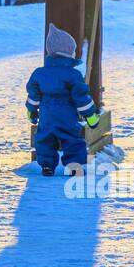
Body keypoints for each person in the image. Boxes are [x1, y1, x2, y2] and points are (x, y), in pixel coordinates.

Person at [25, 24, 101, 177]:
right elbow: (82, 99)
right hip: (67, 116)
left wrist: (31, 111)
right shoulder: (73, 75)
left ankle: (47, 166)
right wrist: (91, 116)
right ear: (68, 53)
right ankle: (74, 166)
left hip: (46, 116)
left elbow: (33, 95)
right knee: (72, 140)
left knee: (44, 139)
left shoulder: (39, 73)